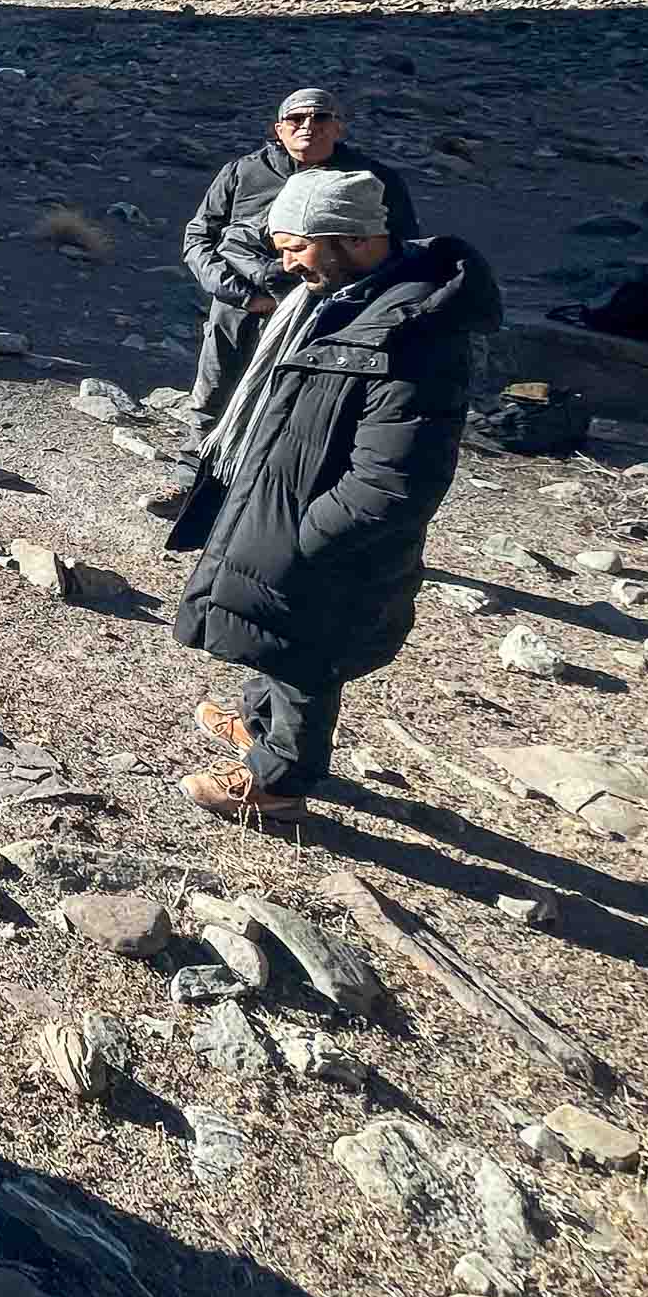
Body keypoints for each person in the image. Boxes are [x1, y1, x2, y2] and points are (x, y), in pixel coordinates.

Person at [166, 168, 501, 822]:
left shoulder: (411, 332)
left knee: (307, 654)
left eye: (296, 247)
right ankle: (260, 728)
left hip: (328, 540)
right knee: (275, 635)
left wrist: (300, 540)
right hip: (284, 507)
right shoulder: (340, 298)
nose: (287, 263)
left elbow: (394, 480)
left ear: (352, 238)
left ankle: (277, 784)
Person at [181, 87, 421, 446]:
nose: (308, 125)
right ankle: (194, 469)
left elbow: (401, 248)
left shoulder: (371, 179)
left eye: (320, 117)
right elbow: (198, 240)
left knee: (298, 400)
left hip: (323, 307)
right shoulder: (243, 172)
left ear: (338, 127)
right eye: (296, 119)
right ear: (279, 129)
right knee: (216, 391)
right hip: (239, 304)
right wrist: (244, 296)